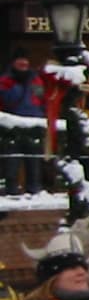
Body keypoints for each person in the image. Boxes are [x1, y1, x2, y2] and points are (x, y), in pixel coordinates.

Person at [0, 48, 45, 195]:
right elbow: (7, 100)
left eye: (25, 60)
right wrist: (19, 85)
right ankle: (11, 191)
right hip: (12, 127)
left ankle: (34, 191)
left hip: (33, 125)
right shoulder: (5, 80)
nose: (23, 62)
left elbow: (40, 99)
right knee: (12, 164)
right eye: (20, 60)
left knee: (34, 164)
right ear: (13, 62)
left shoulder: (36, 79)